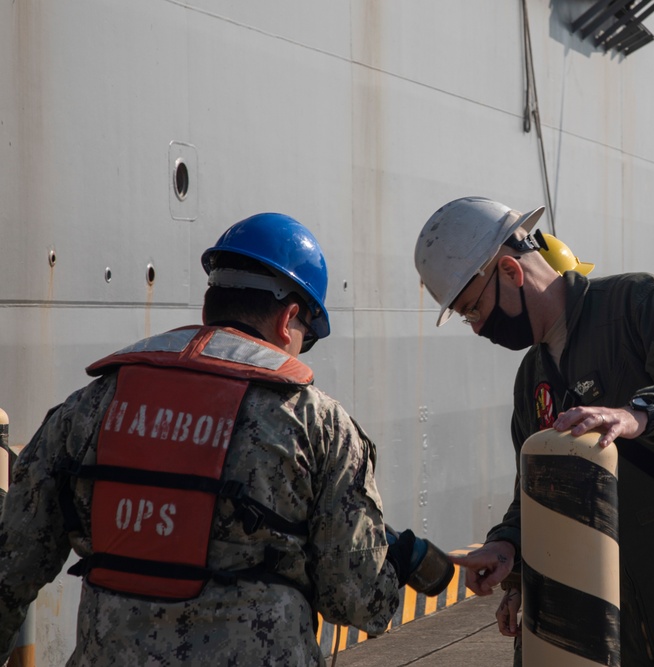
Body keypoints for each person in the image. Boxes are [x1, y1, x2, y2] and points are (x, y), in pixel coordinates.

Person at [0, 213, 419, 666]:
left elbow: (12, 566)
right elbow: (359, 602)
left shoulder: (87, 407)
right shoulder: (319, 424)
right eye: (307, 336)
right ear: (289, 317)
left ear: (208, 308)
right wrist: (395, 565)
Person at [413, 196, 654, 666]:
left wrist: (638, 414)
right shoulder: (532, 377)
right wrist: (508, 548)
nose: (477, 329)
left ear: (511, 272)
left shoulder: (637, 302)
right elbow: (536, 492)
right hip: (621, 603)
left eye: (473, 310)